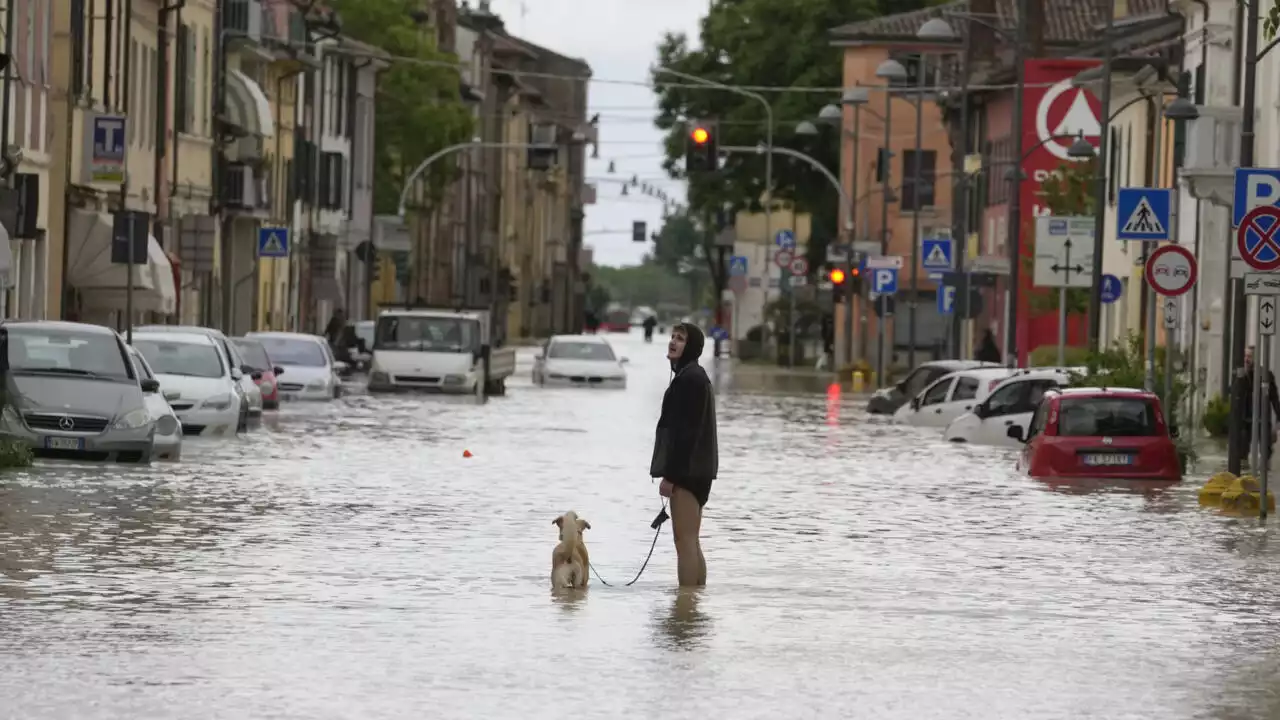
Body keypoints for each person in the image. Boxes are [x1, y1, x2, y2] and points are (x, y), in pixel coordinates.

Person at [650, 323, 718, 587]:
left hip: (688, 473)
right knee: (691, 539)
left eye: (680, 339)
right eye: (673, 337)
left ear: (692, 347)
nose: (673, 342)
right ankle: (695, 604)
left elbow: (686, 435)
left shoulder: (690, 380)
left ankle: (686, 612)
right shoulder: (693, 376)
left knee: (684, 541)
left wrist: (671, 476)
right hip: (697, 470)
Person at [1239, 346, 1280, 465]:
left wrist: (1278, 419)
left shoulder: (1265, 374)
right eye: (1245, 356)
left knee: (1266, 450)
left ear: (1255, 358)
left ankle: (1265, 471)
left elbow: (1274, 397)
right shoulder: (1240, 375)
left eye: (1249, 356)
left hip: (1262, 418)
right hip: (1245, 420)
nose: (1247, 359)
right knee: (1241, 452)